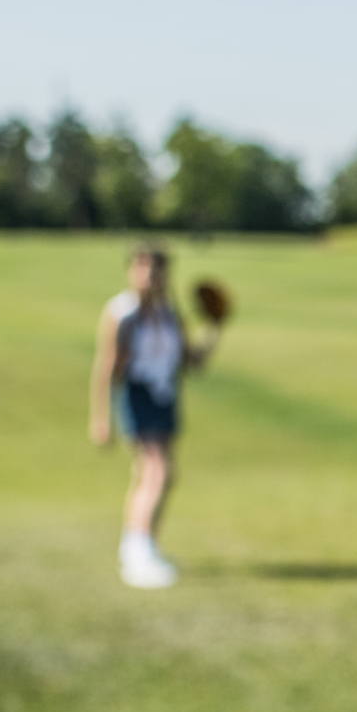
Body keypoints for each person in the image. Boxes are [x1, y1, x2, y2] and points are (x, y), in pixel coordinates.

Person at [89, 244, 221, 589]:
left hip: (165, 394)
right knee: (158, 471)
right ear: (132, 271)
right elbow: (107, 367)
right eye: (144, 267)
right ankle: (138, 552)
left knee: (155, 475)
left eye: (158, 268)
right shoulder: (122, 313)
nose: (151, 275)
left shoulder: (169, 314)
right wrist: (101, 418)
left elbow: (192, 363)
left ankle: (141, 544)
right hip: (137, 393)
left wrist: (214, 329)